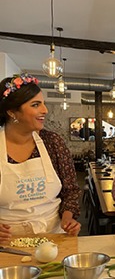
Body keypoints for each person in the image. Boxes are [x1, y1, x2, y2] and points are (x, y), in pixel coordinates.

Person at [0, 73, 81, 244]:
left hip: (54, 237)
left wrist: (68, 218)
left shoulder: (52, 142)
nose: (45, 110)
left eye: (43, 103)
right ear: (12, 112)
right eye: (36, 105)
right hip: (7, 242)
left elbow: (71, 190)